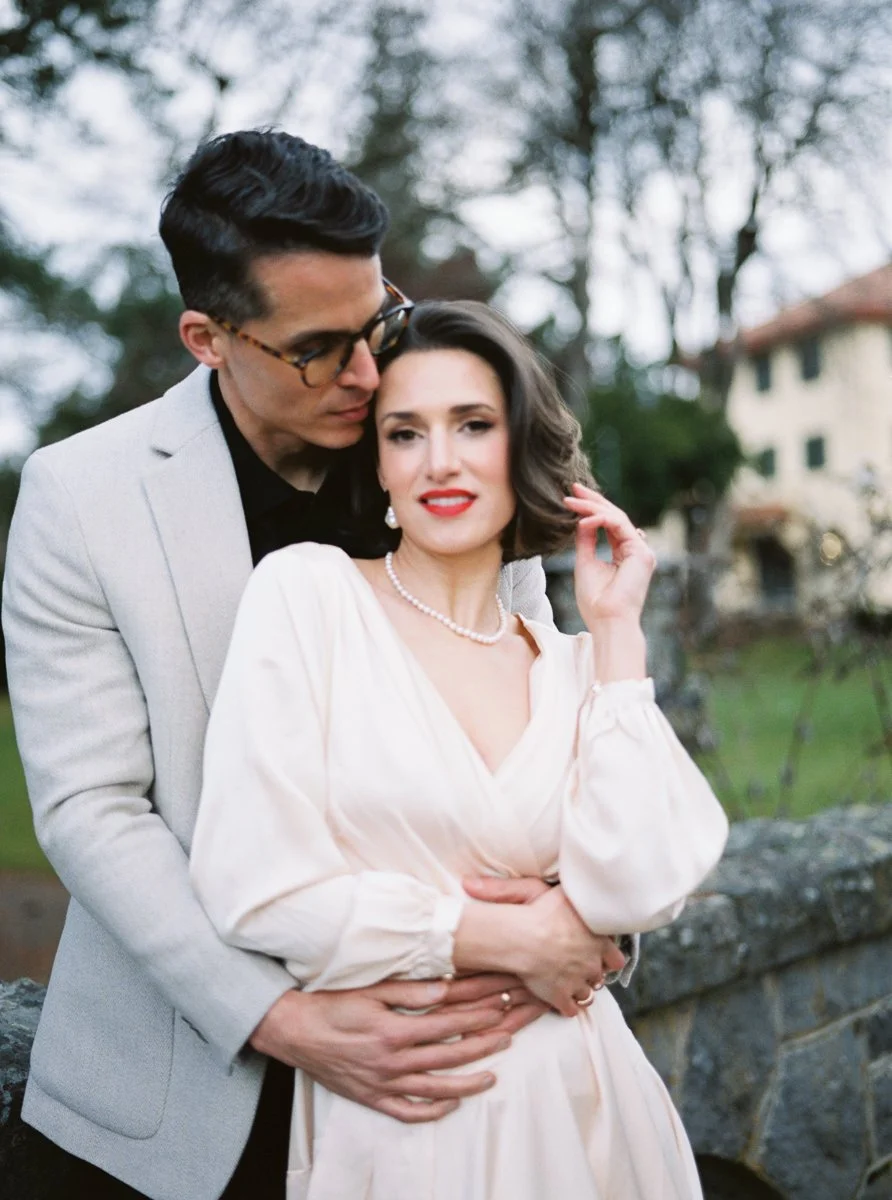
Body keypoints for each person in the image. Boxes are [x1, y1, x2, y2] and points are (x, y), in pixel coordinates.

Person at [2, 131, 629, 1200]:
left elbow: (539, 732)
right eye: (320, 348)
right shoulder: (80, 496)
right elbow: (92, 808)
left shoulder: (444, 456)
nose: (372, 373)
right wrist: (282, 1019)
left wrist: (590, 917)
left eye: (380, 320)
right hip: (188, 1091)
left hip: (464, 1071)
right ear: (207, 336)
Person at [189, 299, 730, 1200]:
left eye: (473, 425)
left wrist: (616, 634)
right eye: (406, 433)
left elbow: (638, 886)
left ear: (519, 446)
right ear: (379, 464)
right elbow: (256, 886)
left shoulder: (567, 662)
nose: (440, 461)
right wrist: (509, 935)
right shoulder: (309, 597)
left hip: (590, 1104)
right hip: (407, 1122)